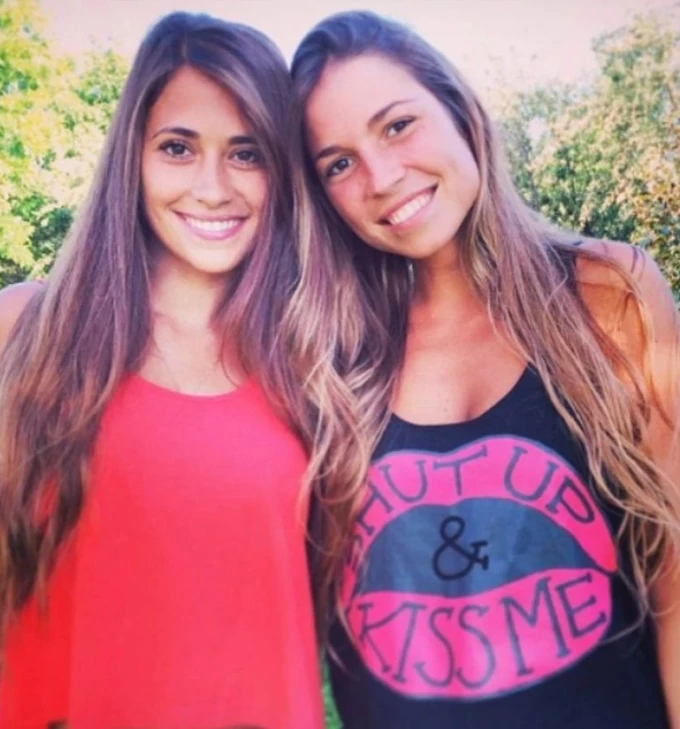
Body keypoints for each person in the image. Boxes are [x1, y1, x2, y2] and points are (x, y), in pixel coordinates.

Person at [289, 10, 680, 729]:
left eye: (398, 125)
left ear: (459, 111)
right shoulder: (323, 363)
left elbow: (675, 574)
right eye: (338, 164)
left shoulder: (606, 294)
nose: (381, 177)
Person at [0, 12, 326, 729]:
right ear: (133, 156)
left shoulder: (312, 358)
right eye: (178, 147)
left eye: (246, 154)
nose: (212, 187)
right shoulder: (25, 329)